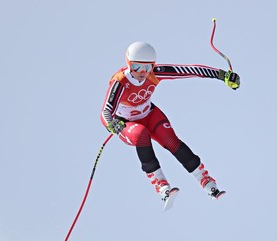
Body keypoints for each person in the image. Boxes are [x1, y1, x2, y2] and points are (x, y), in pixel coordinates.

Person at [100, 41, 240, 203]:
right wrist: (113, 125)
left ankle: (206, 181)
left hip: (149, 114)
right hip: (127, 123)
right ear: (128, 64)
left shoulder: (155, 73)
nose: (143, 72)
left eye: (148, 67)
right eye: (137, 67)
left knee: (171, 140)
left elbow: (190, 70)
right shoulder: (120, 82)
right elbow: (105, 112)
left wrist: (223, 75)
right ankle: (161, 185)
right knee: (141, 134)